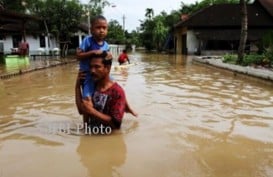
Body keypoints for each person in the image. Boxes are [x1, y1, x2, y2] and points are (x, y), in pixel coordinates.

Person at [76, 15, 137, 123]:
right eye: (98, 27)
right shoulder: (87, 41)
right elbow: (78, 55)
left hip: (101, 74)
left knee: (117, 86)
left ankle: (127, 106)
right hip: (87, 75)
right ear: (91, 29)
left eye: (104, 28)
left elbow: (107, 59)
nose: (101, 30)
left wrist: (109, 56)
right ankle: (85, 125)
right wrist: (93, 52)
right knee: (87, 100)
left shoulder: (106, 45)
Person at [75, 53, 128, 130]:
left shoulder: (117, 92)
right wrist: (77, 86)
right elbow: (81, 111)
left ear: (108, 68)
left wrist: (92, 112)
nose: (92, 71)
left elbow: (116, 125)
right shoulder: (92, 87)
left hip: (108, 138)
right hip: (92, 134)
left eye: (97, 67)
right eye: (91, 67)